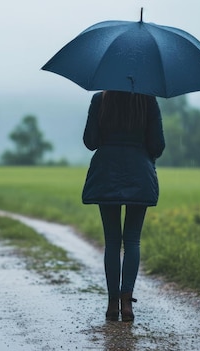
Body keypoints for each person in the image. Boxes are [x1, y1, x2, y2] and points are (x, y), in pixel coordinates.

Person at [81, 90, 165, 322]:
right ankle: (127, 303)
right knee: (132, 241)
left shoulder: (101, 99)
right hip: (139, 173)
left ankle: (112, 304)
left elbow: (90, 142)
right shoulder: (148, 99)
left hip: (106, 171)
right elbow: (157, 145)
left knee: (112, 241)